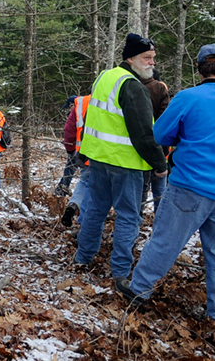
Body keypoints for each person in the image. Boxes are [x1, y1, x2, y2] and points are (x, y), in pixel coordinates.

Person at [116, 44, 215, 327]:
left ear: (199, 69)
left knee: (166, 242)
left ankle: (139, 290)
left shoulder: (188, 97)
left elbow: (160, 134)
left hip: (190, 187)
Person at [74, 33, 168, 280]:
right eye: (147, 58)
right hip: (125, 164)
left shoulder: (105, 77)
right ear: (131, 58)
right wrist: (160, 165)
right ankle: (121, 272)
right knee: (128, 218)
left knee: (95, 210)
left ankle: (82, 258)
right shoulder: (133, 87)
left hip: (98, 159)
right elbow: (144, 134)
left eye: (153, 58)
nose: (151, 63)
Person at [140, 69, 171, 214]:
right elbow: (164, 124)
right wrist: (163, 154)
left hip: (137, 152)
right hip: (158, 149)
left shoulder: (132, 88)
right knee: (160, 190)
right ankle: (161, 222)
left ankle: (136, 220)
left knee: (141, 190)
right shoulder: (160, 90)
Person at [60, 94, 91, 227]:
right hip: (107, 155)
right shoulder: (115, 99)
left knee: (84, 182)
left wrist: (70, 149)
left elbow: (69, 130)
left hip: (82, 152)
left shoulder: (81, 103)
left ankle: (73, 205)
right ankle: (85, 222)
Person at [54, 95, 80, 196]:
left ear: (73, 105)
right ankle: (61, 190)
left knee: (69, 169)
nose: (69, 110)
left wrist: (69, 149)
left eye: (69, 107)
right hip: (86, 148)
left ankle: (61, 191)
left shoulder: (76, 113)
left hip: (76, 148)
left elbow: (69, 131)